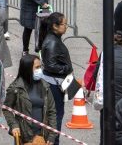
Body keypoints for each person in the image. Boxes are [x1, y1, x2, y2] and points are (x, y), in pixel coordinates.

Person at [3, 54, 57, 145]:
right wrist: (14, 125)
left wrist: (52, 135)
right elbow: (6, 109)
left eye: (40, 67)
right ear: (27, 69)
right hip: (24, 137)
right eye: (37, 67)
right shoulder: (16, 88)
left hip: (42, 137)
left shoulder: (45, 86)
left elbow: (51, 111)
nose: (40, 70)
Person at [96, 35, 122, 145]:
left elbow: (97, 74)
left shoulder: (104, 55)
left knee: (105, 134)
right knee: (121, 134)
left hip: (107, 101)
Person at [38, 12, 73, 145]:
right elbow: (51, 65)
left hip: (56, 82)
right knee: (56, 115)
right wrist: (67, 69)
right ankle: (53, 140)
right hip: (54, 84)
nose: (66, 27)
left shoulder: (54, 38)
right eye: (64, 24)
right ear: (55, 26)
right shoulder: (52, 42)